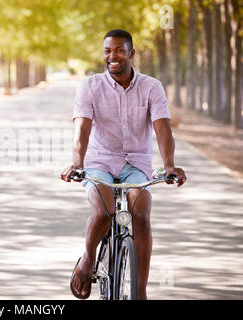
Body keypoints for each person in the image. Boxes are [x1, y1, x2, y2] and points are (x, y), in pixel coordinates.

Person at [60, 29, 186, 300]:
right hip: (98, 162)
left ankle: (140, 290)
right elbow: (81, 131)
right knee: (104, 211)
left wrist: (169, 165)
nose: (112, 56)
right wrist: (77, 163)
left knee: (141, 212)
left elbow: (163, 129)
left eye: (119, 50)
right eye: (107, 51)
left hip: (136, 164)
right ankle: (87, 259)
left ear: (131, 53)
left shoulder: (151, 86)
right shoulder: (90, 86)